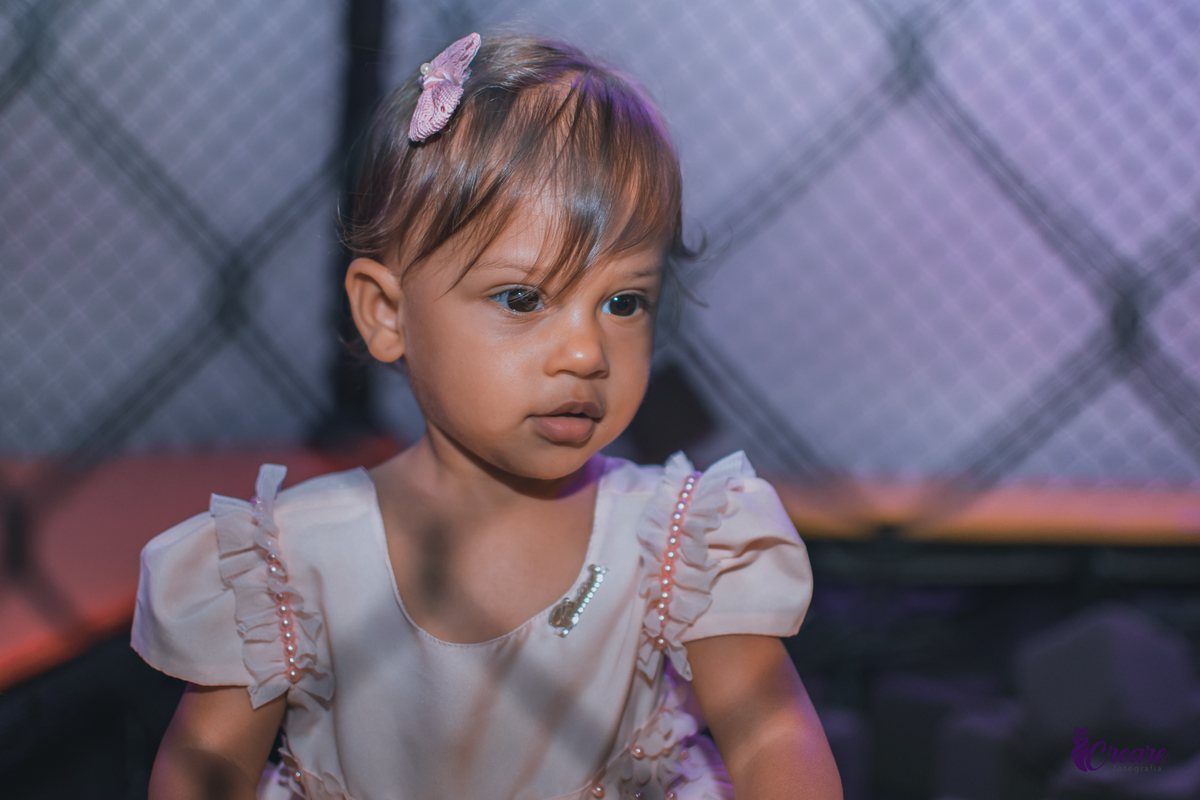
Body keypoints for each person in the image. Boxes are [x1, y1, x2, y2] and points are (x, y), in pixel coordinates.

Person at [133, 31, 843, 800]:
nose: (585, 352)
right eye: (523, 299)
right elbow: (206, 764)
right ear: (387, 314)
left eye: (623, 301)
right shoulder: (288, 559)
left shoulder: (676, 542)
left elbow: (774, 731)